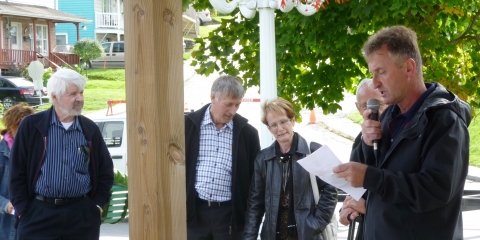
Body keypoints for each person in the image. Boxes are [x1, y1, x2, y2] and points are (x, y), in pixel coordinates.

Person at [333, 25, 471, 240]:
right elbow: (366, 180)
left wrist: (371, 177)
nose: (375, 83)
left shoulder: (445, 121)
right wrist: (367, 145)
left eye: (381, 72)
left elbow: (435, 191)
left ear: (408, 68)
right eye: (372, 74)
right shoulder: (388, 117)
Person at [9, 69, 114, 239]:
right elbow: (16, 170)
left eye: (81, 93)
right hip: (38, 214)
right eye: (72, 94)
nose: (79, 98)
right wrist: (23, 209)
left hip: (81, 216)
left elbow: (105, 172)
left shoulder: (89, 129)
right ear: (55, 97)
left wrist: (96, 207)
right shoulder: (32, 126)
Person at [244, 97, 338, 240]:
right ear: (269, 128)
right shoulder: (263, 158)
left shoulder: (312, 151)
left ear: (292, 120)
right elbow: (255, 203)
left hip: (307, 235)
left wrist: (316, 224)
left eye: (283, 121)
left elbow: (331, 189)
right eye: (274, 125)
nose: (280, 128)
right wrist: (249, 237)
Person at [185, 75, 261, 239]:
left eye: (237, 105)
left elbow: (255, 180)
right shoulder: (187, 125)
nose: (233, 111)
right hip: (194, 214)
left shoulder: (248, 134)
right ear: (213, 97)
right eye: (228, 104)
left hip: (230, 217)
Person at [338, 78, 387, 227]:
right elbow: (356, 188)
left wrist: (367, 206)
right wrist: (347, 207)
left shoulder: (398, 135)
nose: (372, 111)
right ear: (358, 108)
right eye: (366, 105)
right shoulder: (360, 139)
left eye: (378, 103)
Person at [0, 103, 35, 240]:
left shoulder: (40, 150)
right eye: (19, 126)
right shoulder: (2, 153)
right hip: (6, 226)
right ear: (10, 127)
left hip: (34, 222)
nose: (25, 130)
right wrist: (7, 205)